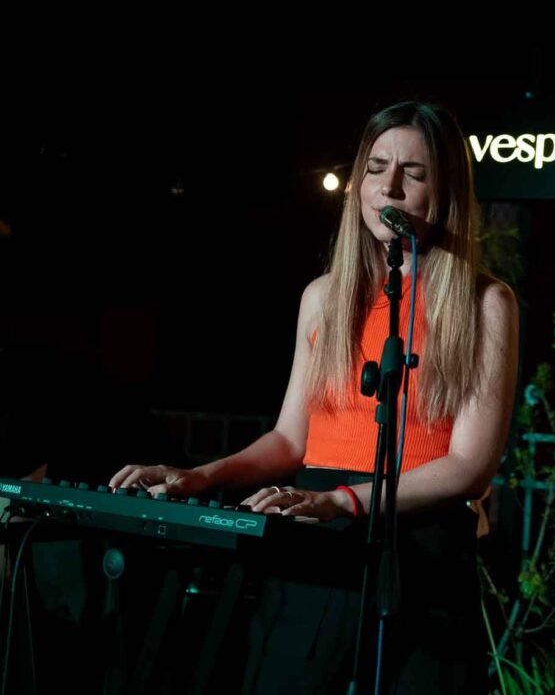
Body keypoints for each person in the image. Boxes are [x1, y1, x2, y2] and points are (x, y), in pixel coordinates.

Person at [109, 100, 519, 693]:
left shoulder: (486, 304)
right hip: (316, 531)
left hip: (422, 545)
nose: (389, 187)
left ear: (446, 191)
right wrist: (200, 476)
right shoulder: (324, 296)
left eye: (414, 173)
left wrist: (344, 502)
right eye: (375, 168)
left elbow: (469, 465)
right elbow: (290, 439)